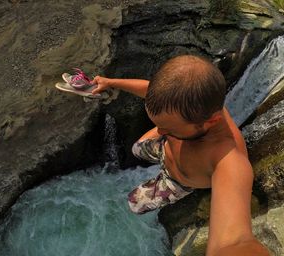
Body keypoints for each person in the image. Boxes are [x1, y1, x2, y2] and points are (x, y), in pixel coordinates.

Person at [91, 55, 270, 256]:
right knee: (136, 148)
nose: (159, 131)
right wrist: (111, 82)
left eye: (168, 128)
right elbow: (150, 90)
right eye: (158, 125)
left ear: (210, 122)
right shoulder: (188, 105)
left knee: (134, 204)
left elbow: (235, 242)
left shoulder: (229, 161)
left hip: (178, 181)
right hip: (167, 152)